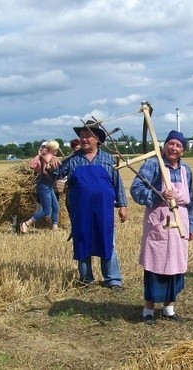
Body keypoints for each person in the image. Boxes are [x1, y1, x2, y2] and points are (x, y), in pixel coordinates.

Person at [130, 130, 193, 325]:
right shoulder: (153, 165)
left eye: (178, 145)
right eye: (171, 144)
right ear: (164, 145)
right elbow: (136, 190)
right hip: (159, 222)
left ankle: (169, 308)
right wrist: (158, 194)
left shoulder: (186, 170)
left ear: (183, 150)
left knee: (176, 266)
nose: (174, 148)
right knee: (156, 266)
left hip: (180, 223)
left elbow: (191, 200)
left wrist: (192, 224)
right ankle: (148, 310)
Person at [50, 122, 128, 291]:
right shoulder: (72, 160)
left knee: (107, 240)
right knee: (83, 240)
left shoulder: (108, 159)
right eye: (82, 136)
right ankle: (86, 279)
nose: (84, 139)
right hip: (81, 210)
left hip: (104, 210)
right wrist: (52, 162)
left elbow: (117, 183)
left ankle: (113, 280)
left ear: (97, 139)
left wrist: (123, 205)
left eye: (88, 136)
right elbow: (55, 175)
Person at [20, 140, 61, 233]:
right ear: (53, 149)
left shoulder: (51, 157)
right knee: (46, 210)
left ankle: (55, 227)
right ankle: (26, 224)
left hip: (49, 186)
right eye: (56, 148)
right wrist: (53, 178)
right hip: (44, 186)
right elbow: (43, 172)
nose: (57, 150)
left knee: (56, 207)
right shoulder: (46, 157)